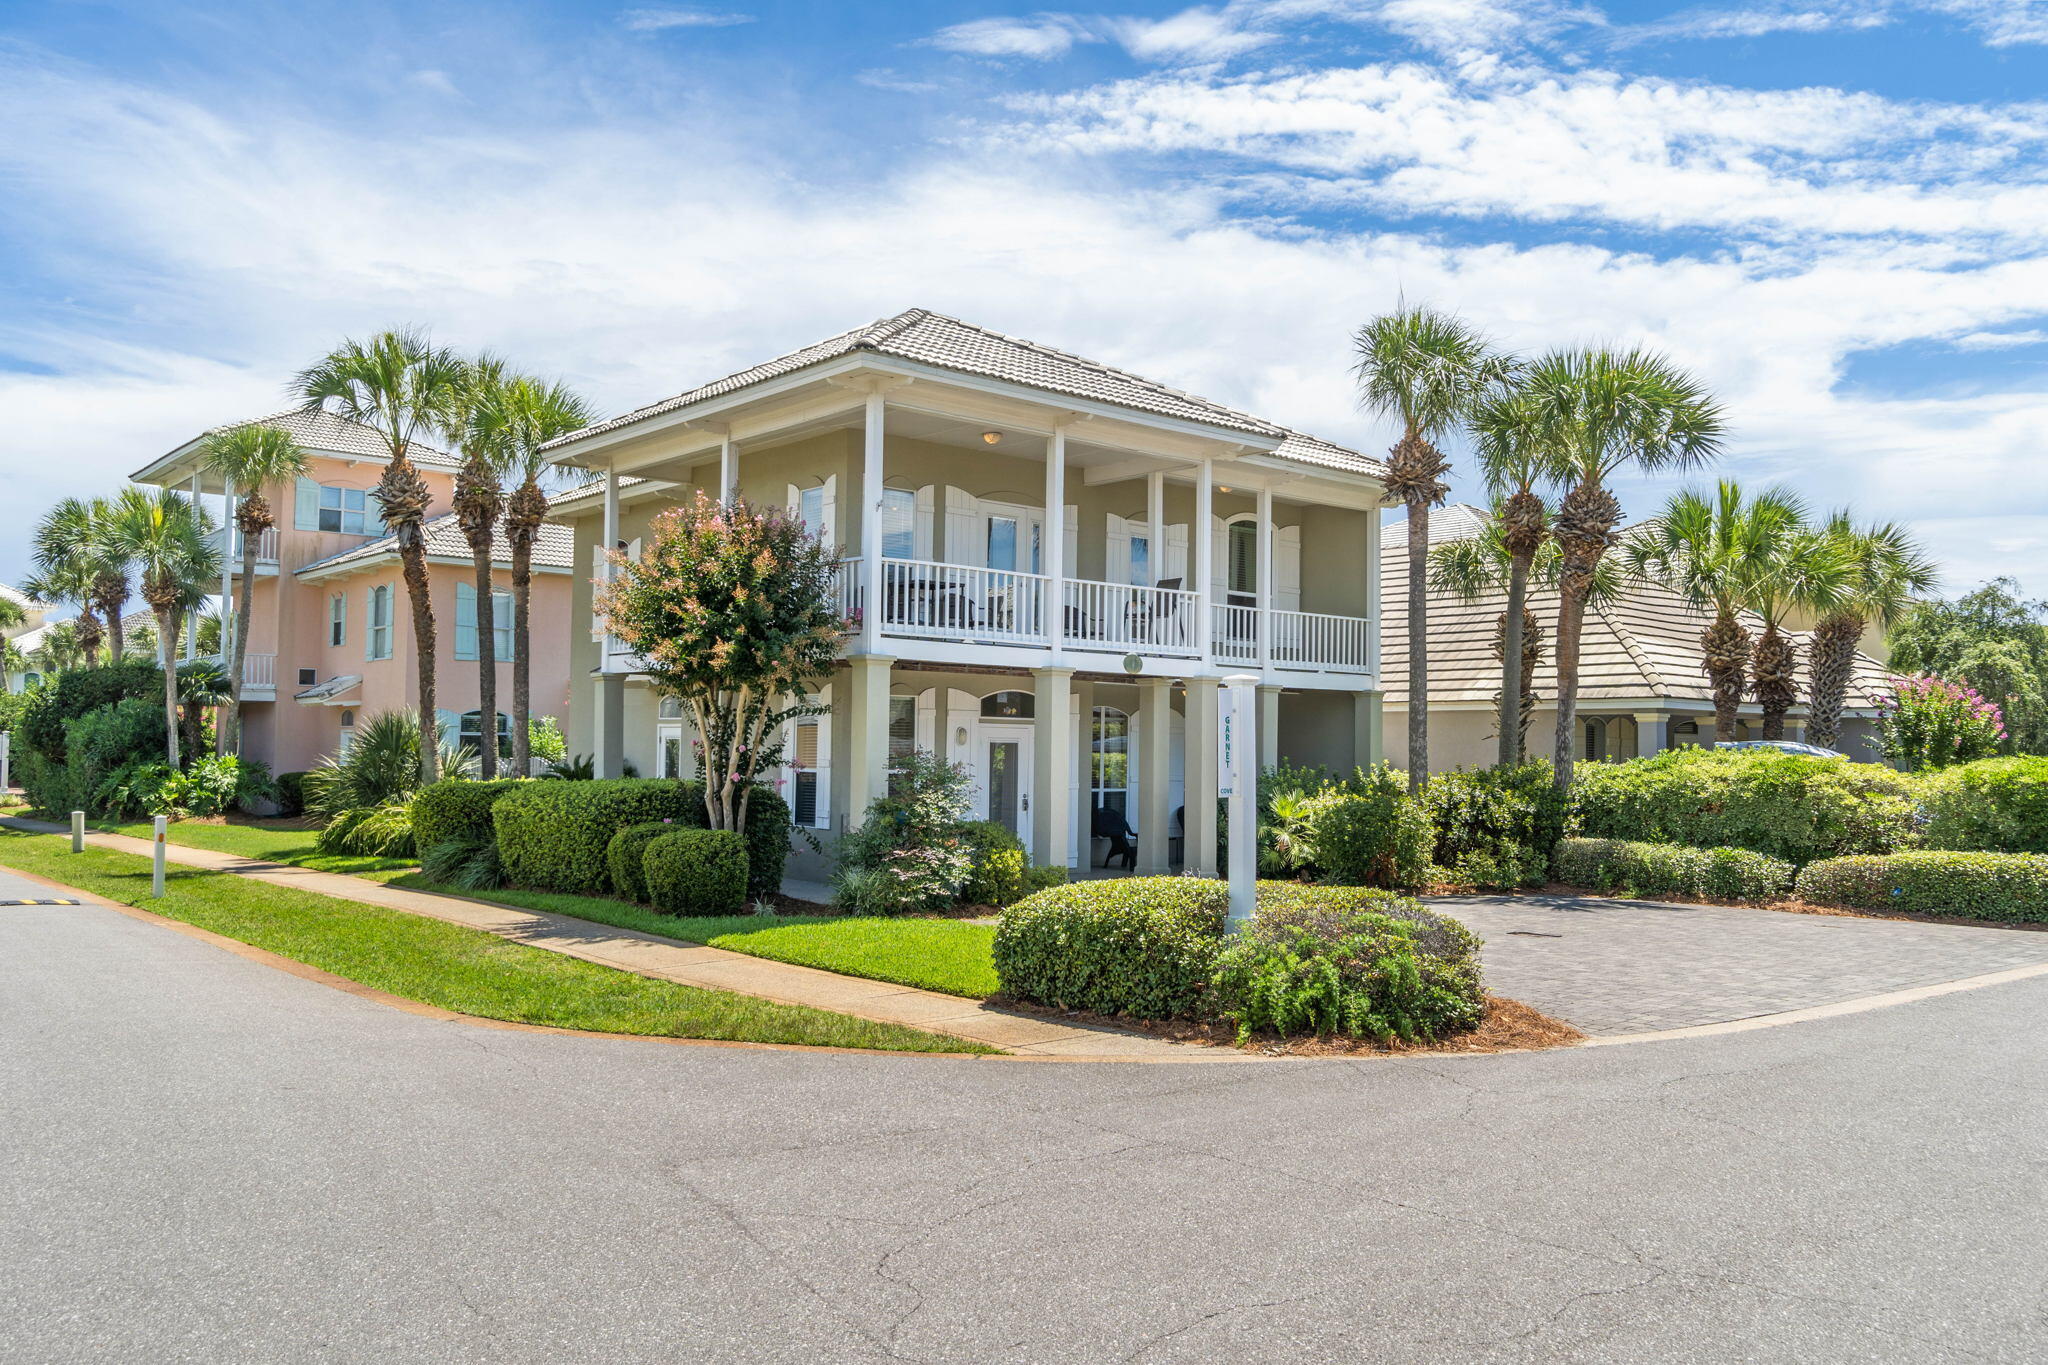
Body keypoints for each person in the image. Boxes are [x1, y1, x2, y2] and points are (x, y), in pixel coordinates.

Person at [1091, 803, 1137, 870]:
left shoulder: (1115, 831)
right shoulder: (1117, 832)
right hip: (1122, 845)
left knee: (1127, 849)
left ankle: (1124, 864)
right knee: (1130, 850)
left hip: (1120, 845)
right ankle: (1131, 867)